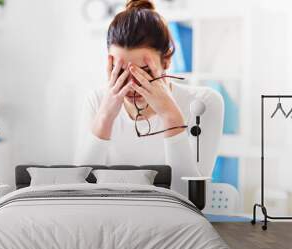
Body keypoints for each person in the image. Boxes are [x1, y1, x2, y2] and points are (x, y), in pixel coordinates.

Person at [74, 0, 224, 197]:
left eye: (143, 72)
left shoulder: (203, 103)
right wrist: (104, 118)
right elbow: (76, 191)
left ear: (166, 60)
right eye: (120, 72)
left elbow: (190, 199)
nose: (131, 85)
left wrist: (171, 117)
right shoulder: (96, 101)